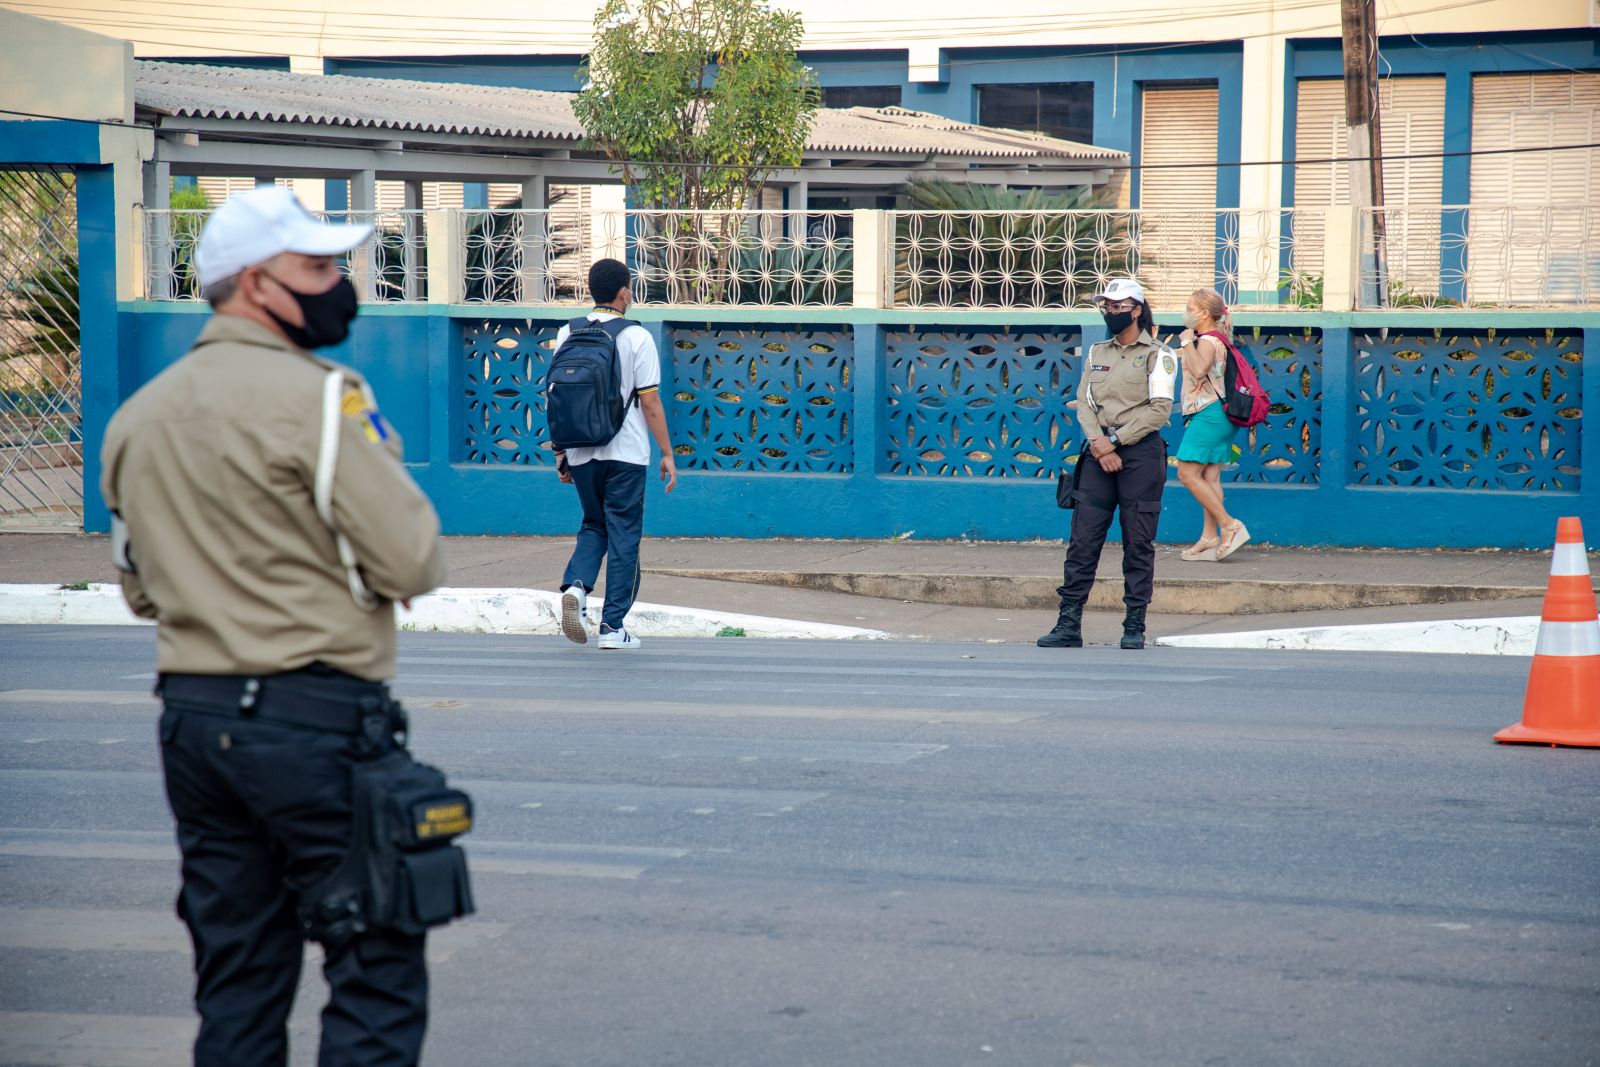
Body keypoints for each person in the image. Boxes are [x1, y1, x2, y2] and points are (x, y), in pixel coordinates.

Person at [100, 187, 449, 1067]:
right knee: (374, 964)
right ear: (256, 283)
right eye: (319, 267)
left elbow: (141, 588)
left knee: (238, 982)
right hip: (317, 725)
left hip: (194, 723)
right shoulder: (326, 400)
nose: (341, 284)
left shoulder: (138, 418)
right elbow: (411, 562)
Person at [1039, 278, 1176, 651]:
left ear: (1137, 310)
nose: (1112, 312)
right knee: (1082, 541)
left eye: (1120, 306)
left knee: (1138, 542)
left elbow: (1159, 410)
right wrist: (1100, 444)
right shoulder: (1098, 351)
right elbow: (1084, 402)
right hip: (1098, 452)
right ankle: (1068, 624)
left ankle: (1134, 625)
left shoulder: (1159, 354)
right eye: (1108, 306)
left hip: (1140, 456)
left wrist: (1114, 441)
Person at [555, 259, 677, 650]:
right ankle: (612, 627)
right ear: (624, 292)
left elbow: (556, 397)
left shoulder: (566, 333)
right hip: (625, 453)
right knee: (624, 534)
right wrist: (667, 453)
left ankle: (576, 586)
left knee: (594, 525)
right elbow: (651, 403)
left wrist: (560, 452)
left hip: (580, 451)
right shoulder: (636, 337)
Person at [1174, 288, 1250, 561]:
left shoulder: (1206, 340)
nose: (1186, 312)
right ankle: (1209, 537)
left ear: (1205, 313)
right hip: (1221, 415)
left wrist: (1185, 342)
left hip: (1208, 414)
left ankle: (1229, 525)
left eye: (1190, 307)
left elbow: (1197, 370)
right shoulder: (1217, 339)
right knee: (1209, 476)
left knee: (1187, 473)